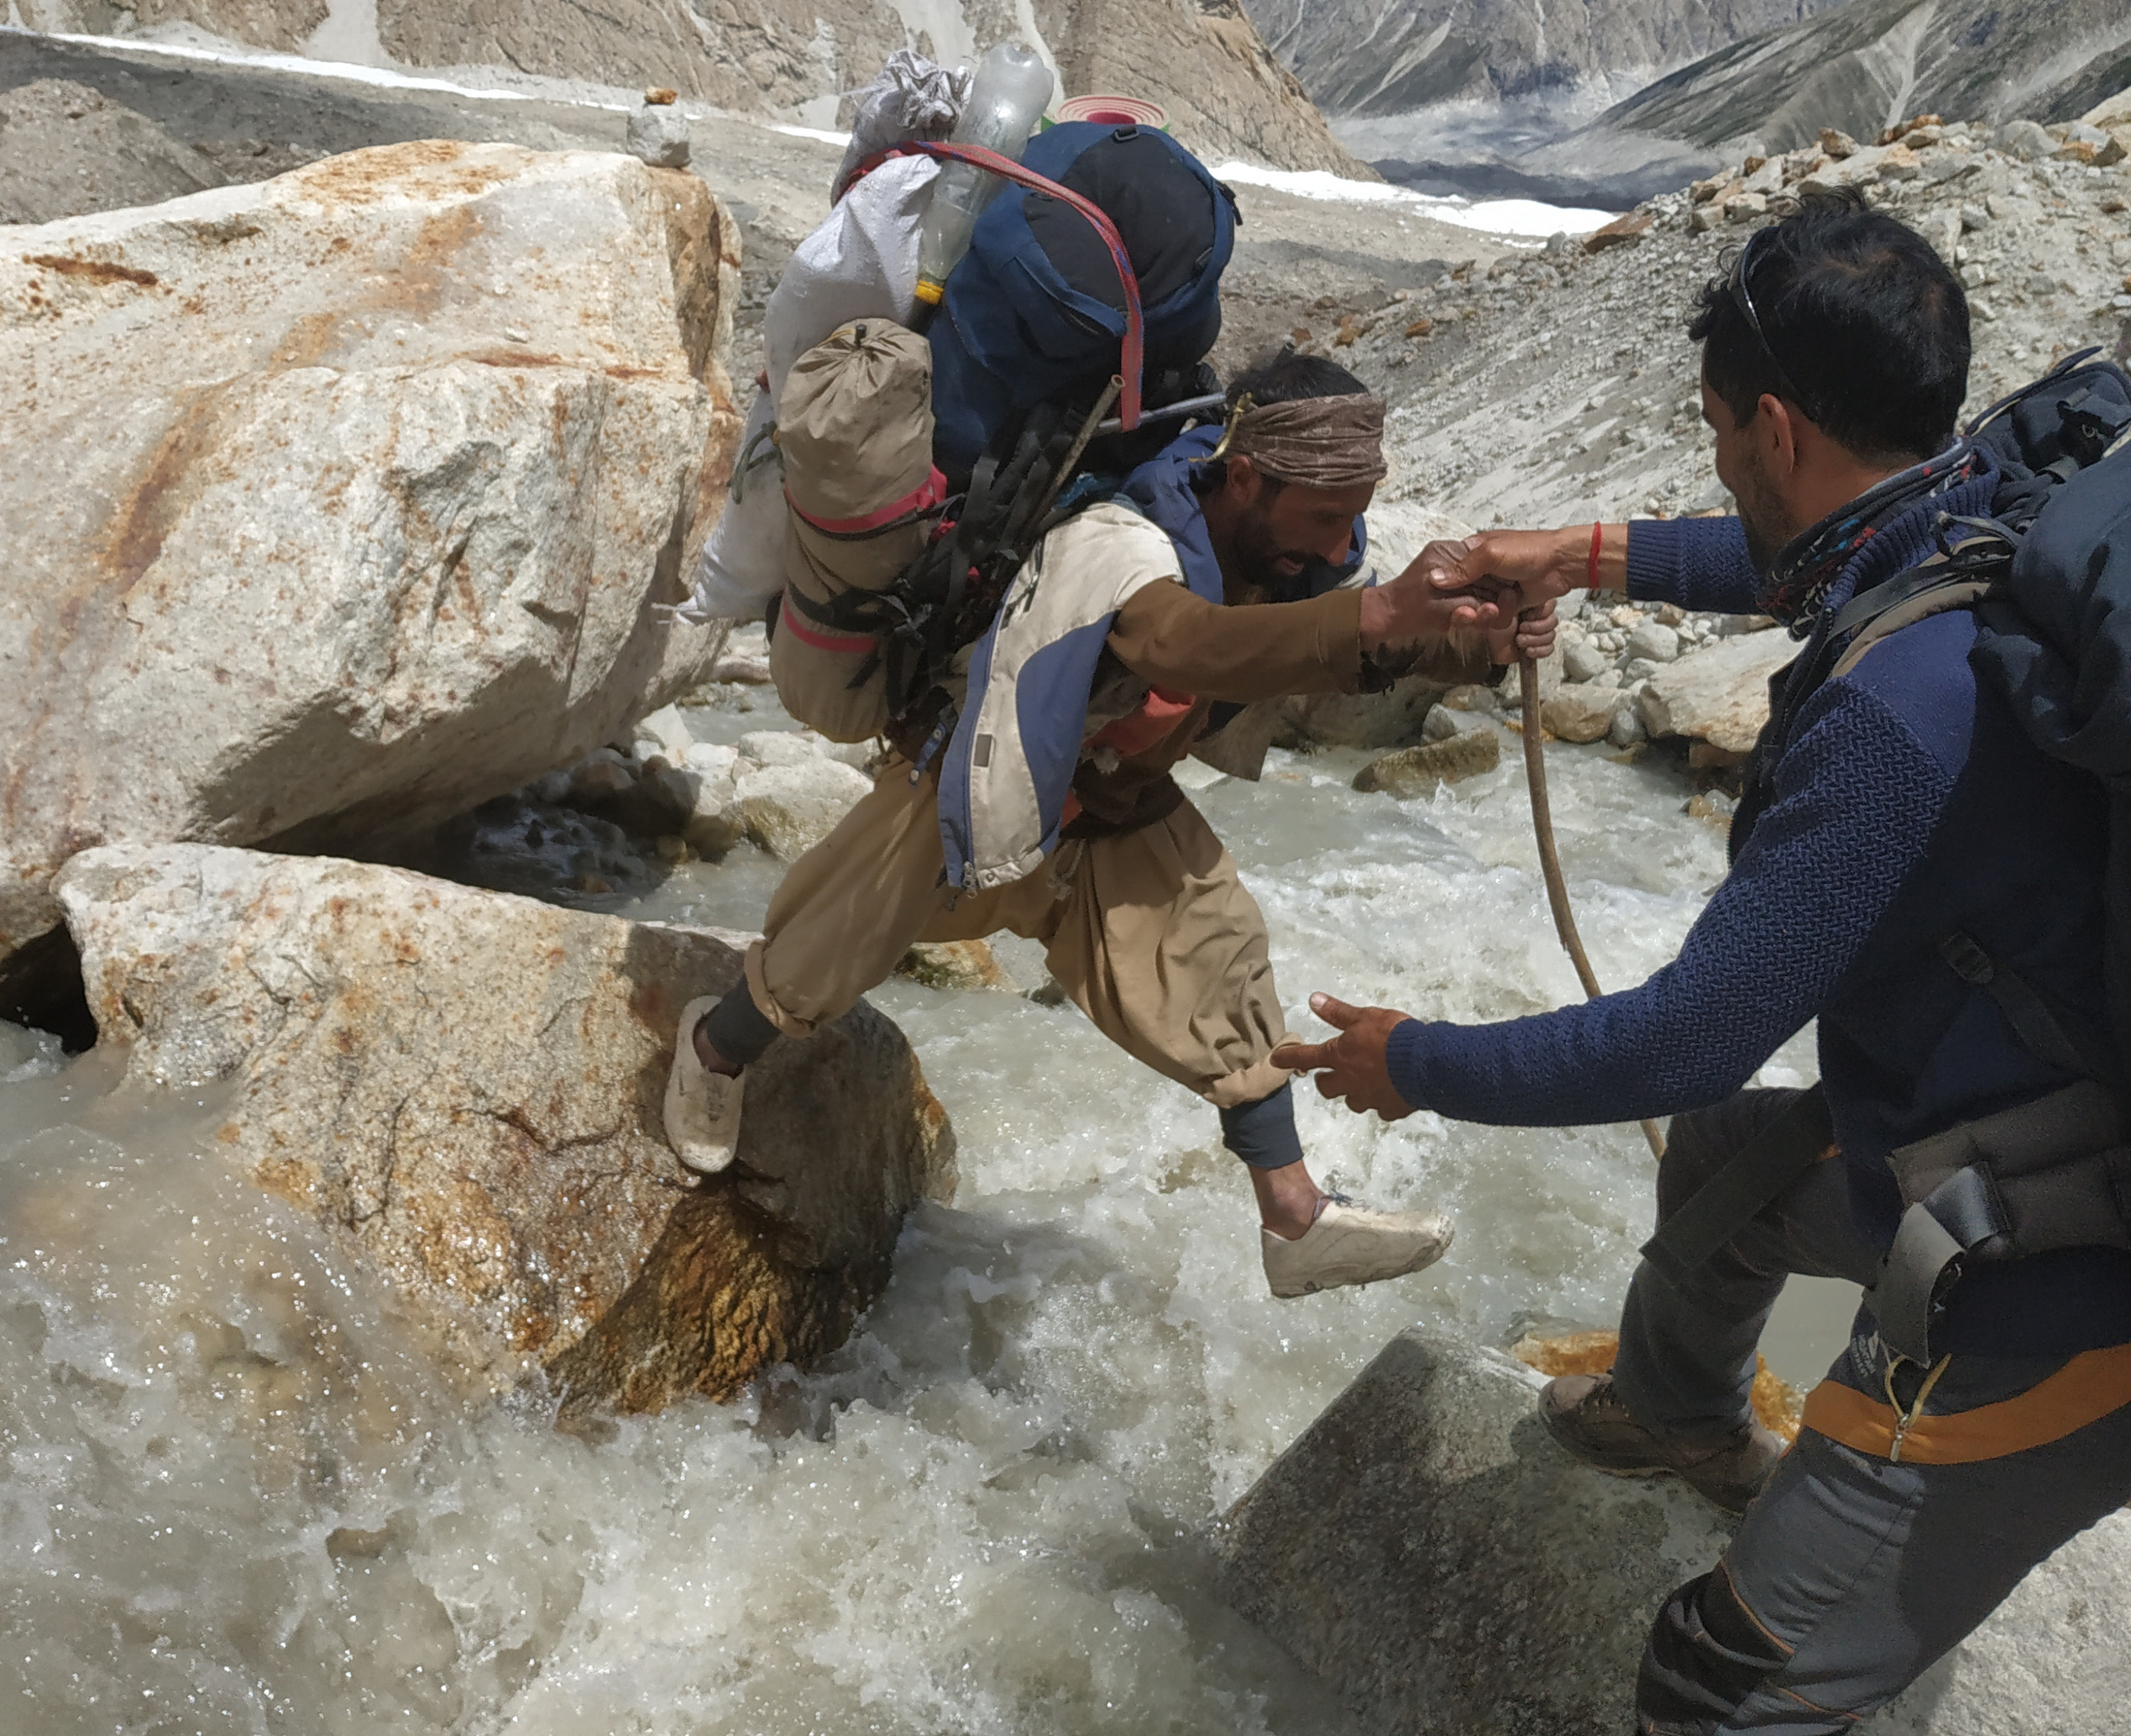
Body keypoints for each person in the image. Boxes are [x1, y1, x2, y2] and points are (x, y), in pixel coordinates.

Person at [1275, 194, 2131, 1732]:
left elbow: (1678, 1045)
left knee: (1719, 1687)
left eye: (1721, 428)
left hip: (2062, 1279)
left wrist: (1404, 1062)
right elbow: (1809, 566)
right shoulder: (1996, 496)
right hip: (2020, 1117)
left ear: (1779, 429)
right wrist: (1582, 554)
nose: (1720, 456)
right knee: (1730, 1176)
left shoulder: (1890, 724)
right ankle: (1679, 1419)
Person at [668, 348, 1555, 1298]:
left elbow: (1319, 660)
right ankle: (711, 1048)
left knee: (1218, 951)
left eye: (1350, 518)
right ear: (1245, 476)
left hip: (1110, 808)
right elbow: (1189, 646)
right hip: (981, 784)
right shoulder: (1115, 542)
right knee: (826, 949)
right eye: (1323, 517)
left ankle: (1294, 1217)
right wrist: (1375, 610)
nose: (1339, 541)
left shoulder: (1286, 560)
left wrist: (1480, 642)